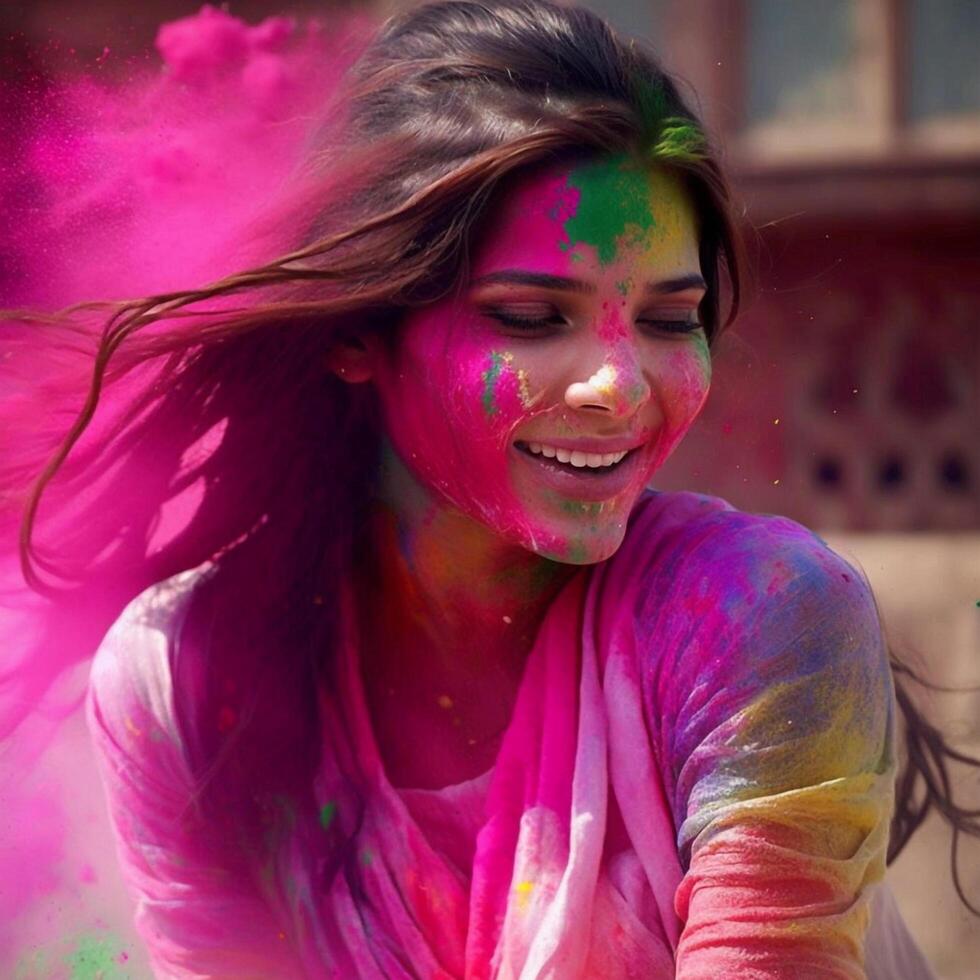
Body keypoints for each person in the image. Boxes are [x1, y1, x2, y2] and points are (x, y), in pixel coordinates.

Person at [2, 1, 967, 976]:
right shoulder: (185, 687)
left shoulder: (758, 617)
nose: (619, 387)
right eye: (532, 315)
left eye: (669, 320)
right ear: (354, 334)